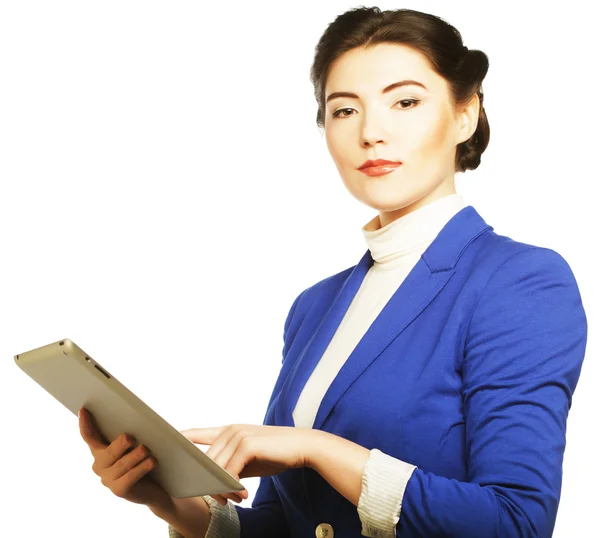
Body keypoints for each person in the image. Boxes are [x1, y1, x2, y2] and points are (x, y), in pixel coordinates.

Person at [78, 6, 588, 538]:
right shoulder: (314, 307)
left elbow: (517, 523)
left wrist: (316, 449)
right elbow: (285, 524)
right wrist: (170, 503)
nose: (372, 132)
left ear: (465, 114)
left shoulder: (520, 281)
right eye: (345, 110)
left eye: (406, 102)